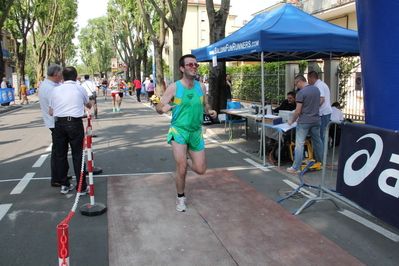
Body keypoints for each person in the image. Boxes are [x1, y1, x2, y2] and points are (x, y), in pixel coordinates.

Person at [156, 54, 217, 212]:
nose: (194, 67)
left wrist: (210, 111)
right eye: (190, 65)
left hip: (196, 132)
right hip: (179, 130)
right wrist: (163, 108)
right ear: (182, 68)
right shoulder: (175, 87)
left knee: (201, 170)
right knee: (181, 168)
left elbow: (206, 104)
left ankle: (186, 161)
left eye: (195, 65)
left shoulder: (201, 87)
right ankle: (180, 197)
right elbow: (159, 106)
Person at [49, 66, 91, 195]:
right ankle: (82, 186)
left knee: (61, 155)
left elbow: (51, 111)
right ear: (76, 76)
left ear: (63, 77)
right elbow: (88, 104)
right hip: (75, 123)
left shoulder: (56, 90)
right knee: (77, 155)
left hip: (59, 124)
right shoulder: (80, 88)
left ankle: (64, 185)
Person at [286, 75, 323, 173]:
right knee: (317, 141)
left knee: (299, 144)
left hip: (304, 121)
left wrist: (292, 120)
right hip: (316, 120)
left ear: (299, 82)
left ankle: (296, 167)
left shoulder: (301, 93)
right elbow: (319, 102)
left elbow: (298, 110)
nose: (296, 86)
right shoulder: (316, 89)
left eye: (296, 84)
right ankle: (321, 162)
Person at [38, 64, 64, 187]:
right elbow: (54, 107)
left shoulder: (50, 85)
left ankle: (60, 173)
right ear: (55, 74)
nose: (62, 76)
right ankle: (57, 177)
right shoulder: (49, 88)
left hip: (54, 121)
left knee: (60, 150)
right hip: (55, 121)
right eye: (60, 74)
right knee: (58, 151)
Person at [307, 71, 332, 148]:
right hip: (325, 112)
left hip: (323, 113)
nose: (308, 81)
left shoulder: (318, 86)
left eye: (308, 79)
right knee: (322, 134)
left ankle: (322, 154)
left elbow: (321, 99)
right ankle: (322, 152)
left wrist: (312, 108)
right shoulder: (322, 84)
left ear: (312, 78)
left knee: (321, 134)